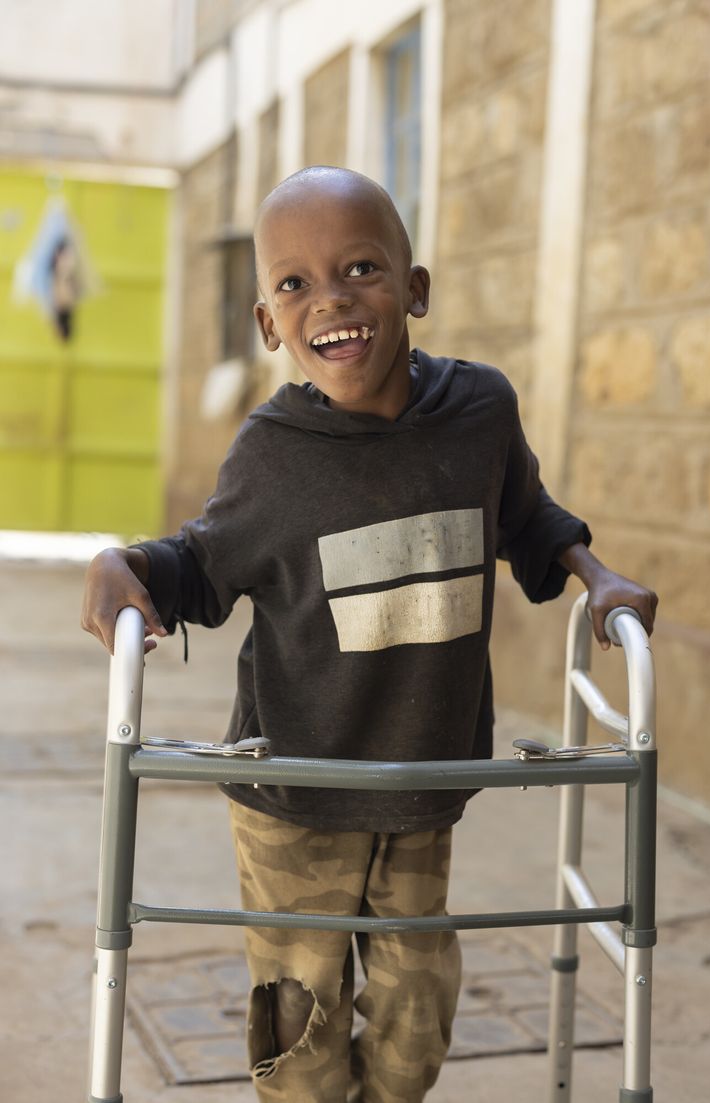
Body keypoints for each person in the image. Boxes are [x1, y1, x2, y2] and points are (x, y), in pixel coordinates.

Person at [82, 166, 658, 1103]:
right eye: (295, 284)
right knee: (299, 1023)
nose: (332, 300)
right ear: (270, 323)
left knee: (417, 1008)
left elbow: (527, 515)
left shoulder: (479, 412)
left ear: (415, 288)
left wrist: (597, 575)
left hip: (422, 780)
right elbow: (199, 563)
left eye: (360, 268)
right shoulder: (272, 456)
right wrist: (125, 564)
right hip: (292, 790)